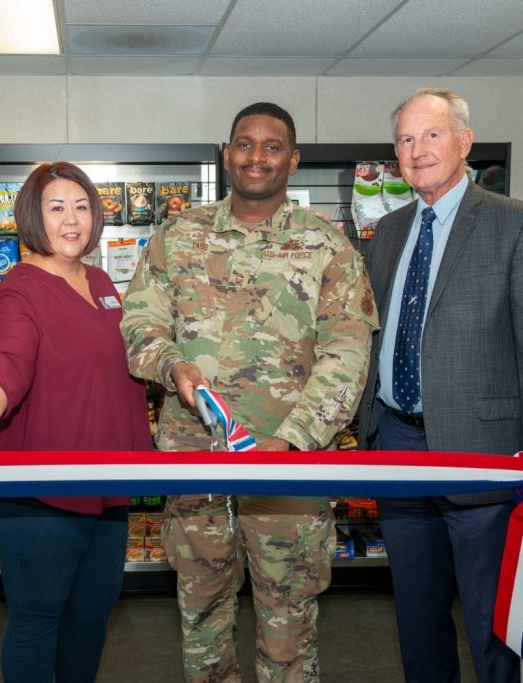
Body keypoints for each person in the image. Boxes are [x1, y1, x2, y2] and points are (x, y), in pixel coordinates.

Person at [120, 102, 378, 682]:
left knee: (288, 620)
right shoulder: (176, 237)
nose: (256, 156)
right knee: (203, 615)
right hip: (195, 461)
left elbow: (348, 354)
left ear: (292, 159)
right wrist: (171, 367)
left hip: (288, 467)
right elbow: (140, 324)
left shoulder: (327, 247)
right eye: (244, 143)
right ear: (226, 153)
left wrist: (294, 443)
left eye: (271, 146)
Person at [356, 87, 523, 683]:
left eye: (431, 134)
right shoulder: (391, 232)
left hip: (485, 458)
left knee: (492, 620)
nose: (417, 150)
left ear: (464, 143)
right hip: (397, 448)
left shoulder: (516, 225)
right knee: (417, 616)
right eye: (405, 139)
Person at [0, 161, 152, 683]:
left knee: (91, 616)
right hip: (40, 492)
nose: (72, 220)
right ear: (31, 217)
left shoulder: (101, 280)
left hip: (108, 486)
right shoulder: (19, 291)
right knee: (37, 621)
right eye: (57, 207)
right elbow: (7, 359)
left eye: (82, 206)